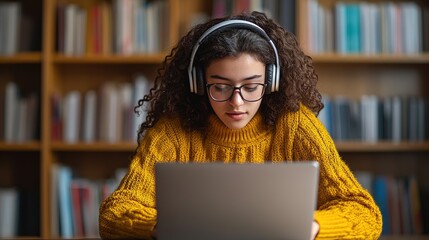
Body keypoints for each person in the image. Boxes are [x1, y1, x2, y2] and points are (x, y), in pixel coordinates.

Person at [98, 11, 382, 239]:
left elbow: (364, 212)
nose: (237, 102)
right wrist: (161, 228)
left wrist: (314, 227)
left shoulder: (295, 126)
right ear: (198, 84)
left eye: (251, 86)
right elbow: (115, 213)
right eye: (220, 87)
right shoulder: (173, 132)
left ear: (270, 83)